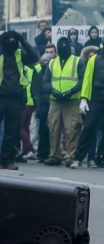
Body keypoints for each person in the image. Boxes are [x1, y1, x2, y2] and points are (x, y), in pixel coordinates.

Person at [0, 31, 40, 170]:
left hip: (16, 99)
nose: (11, 42)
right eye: (8, 40)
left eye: (13, 40)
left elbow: (35, 58)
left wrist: (23, 41)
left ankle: (7, 161)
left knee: (11, 132)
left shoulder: (20, 54)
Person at [43, 37, 83, 166]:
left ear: (70, 46)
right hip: (56, 100)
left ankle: (70, 156)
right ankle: (55, 155)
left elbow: (83, 80)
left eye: (66, 44)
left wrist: (70, 92)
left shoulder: (78, 61)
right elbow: (45, 81)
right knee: (54, 128)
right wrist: (53, 91)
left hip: (72, 100)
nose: (63, 46)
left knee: (71, 129)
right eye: (61, 44)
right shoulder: (52, 63)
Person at [75, 46, 104, 168]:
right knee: (88, 127)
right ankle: (78, 158)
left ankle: (99, 157)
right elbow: (87, 79)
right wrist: (84, 99)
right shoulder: (94, 59)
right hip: (95, 98)